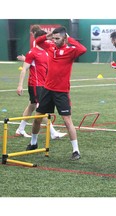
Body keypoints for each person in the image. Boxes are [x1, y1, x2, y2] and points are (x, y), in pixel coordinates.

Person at [26, 26, 87, 160]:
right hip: (47, 90)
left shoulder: (70, 51)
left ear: (64, 38)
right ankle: (33, 142)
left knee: (67, 120)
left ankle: (76, 150)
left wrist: (70, 38)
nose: (54, 41)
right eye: (53, 38)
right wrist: (48, 36)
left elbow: (83, 49)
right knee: (37, 119)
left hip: (62, 92)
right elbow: (38, 42)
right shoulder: (50, 47)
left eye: (57, 38)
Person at [16, 29, 67, 140]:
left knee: (32, 106)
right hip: (35, 85)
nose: (49, 41)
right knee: (41, 109)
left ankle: (20, 129)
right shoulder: (32, 52)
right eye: (47, 38)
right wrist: (20, 85)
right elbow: (24, 69)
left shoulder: (45, 51)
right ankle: (53, 133)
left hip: (44, 84)